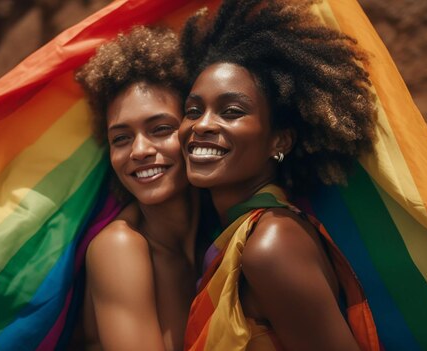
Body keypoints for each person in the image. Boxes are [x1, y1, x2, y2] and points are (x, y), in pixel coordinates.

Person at [179, 0, 379, 350]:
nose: (202, 124)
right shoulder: (235, 236)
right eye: (193, 110)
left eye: (231, 111)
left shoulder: (271, 244)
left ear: (279, 140)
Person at [75, 26, 210, 351]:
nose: (138, 151)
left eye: (160, 129)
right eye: (121, 138)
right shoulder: (119, 248)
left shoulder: (223, 230)